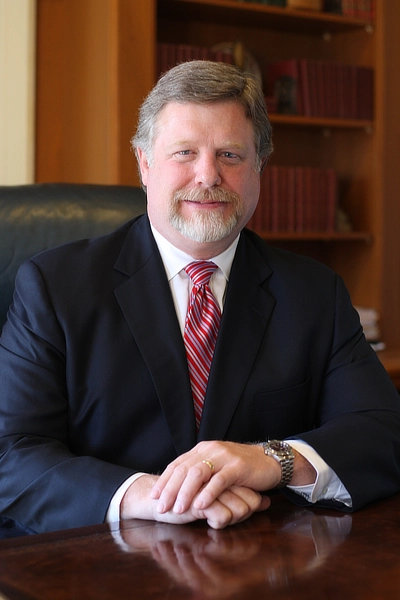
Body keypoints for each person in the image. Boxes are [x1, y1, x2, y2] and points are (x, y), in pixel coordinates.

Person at [0, 61, 399, 535]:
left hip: (257, 563)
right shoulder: (55, 286)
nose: (208, 175)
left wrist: (274, 459)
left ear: (259, 168)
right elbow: (12, 453)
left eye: (230, 155)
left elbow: (382, 433)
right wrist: (150, 495)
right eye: (184, 152)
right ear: (144, 164)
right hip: (101, 562)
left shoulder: (315, 293)